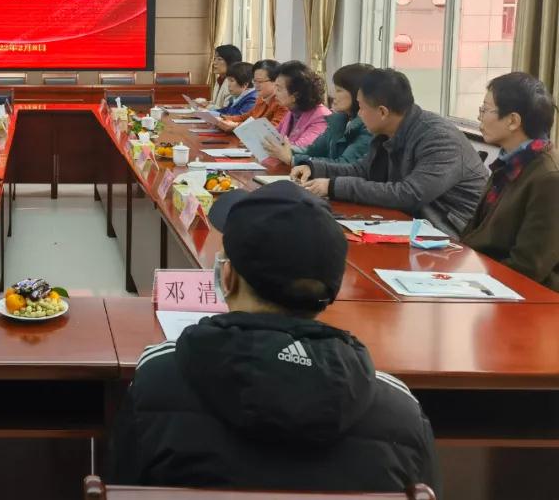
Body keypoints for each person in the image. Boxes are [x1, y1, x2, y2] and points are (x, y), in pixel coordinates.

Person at [106, 181, 437, 493]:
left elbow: (123, 485)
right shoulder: (401, 413)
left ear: (227, 277)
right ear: (330, 291)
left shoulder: (157, 382)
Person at [292, 68, 488, 237]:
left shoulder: (440, 138)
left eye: (362, 108)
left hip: (451, 238)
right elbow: (363, 170)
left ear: (383, 112)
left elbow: (410, 194)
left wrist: (333, 187)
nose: (359, 114)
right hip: (409, 225)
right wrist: (315, 168)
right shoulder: (387, 131)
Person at [462, 72, 559, 290]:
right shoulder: (511, 161)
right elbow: (475, 233)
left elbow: (529, 267)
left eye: (486, 110)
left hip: (523, 294)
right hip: (483, 275)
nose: (479, 117)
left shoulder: (550, 178)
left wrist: (469, 282)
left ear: (513, 121)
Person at [267, 63, 373, 166]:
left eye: (339, 91)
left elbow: (345, 164)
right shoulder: (339, 120)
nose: (333, 95)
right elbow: (312, 151)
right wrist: (286, 151)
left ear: (357, 94)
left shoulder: (368, 127)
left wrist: (293, 159)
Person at [265, 61, 331, 150]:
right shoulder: (292, 111)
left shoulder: (321, 117)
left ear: (296, 95)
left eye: (279, 89)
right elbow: (274, 138)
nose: (274, 93)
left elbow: (301, 149)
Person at [214, 60, 287, 132]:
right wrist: (223, 119)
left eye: (260, 81)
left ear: (276, 81)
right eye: (254, 81)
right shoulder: (261, 98)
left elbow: (273, 129)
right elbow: (247, 116)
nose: (256, 85)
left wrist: (236, 125)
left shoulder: (282, 103)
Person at [207, 44, 243, 110]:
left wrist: (208, 106)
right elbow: (217, 103)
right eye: (214, 59)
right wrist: (206, 103)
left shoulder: (235, 83)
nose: (214, 63)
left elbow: (227, 110)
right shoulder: (220, 80)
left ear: (231, 62)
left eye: (219, 59)